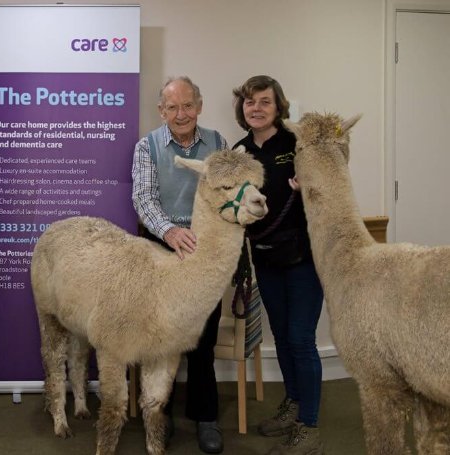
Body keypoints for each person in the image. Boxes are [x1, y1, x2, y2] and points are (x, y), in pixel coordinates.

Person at [131, 76, 225, 454]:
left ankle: (206, 418)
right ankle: (160, 414)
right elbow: (143, 198)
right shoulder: (147, 147)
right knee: (160, 338)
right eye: (172, 107)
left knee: (203, 339)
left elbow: (229, 191)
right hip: (162, 250)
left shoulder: (219, 144)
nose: (181, 114)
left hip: (206, 254)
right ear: (161, 111)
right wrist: (169, 232)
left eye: (188, 105)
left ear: (199, 106)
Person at [232, 75, 324, 455]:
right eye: (250, 102)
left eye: (264, 101)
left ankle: (310, 427)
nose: (256, 108)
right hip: (265, 257)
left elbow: (331, 182)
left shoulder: (298, 142)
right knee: (283, 337)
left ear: (278, 106)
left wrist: (312, 184)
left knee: (301, 339)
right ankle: (294, 404)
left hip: (303, 258)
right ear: (242, 108)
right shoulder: (238, 152)